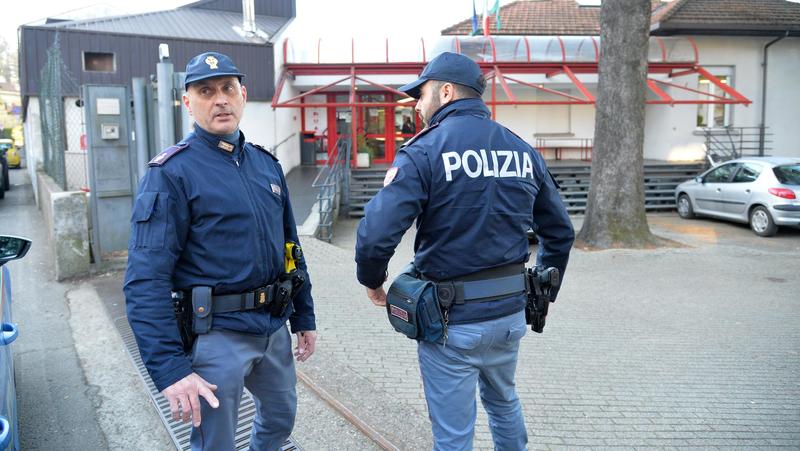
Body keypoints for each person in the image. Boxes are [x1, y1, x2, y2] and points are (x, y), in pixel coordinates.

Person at [355, 52, 574, 450]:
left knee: (454, 435)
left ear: (445, 91)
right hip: (509, 316)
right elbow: (560, 231)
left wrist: (372, 281)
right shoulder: (522, 151)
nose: (417, 106)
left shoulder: (424, 151)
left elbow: (376, 233)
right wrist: (549, 291)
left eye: (420, 95)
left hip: (451, 322)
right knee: (504, 403)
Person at [124, 51, 316, 451]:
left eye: (228, 88)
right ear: (187, 102)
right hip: (216, 336)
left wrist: (304, 315)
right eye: (206, 91)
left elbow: (290, 249)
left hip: (272, 326)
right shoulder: (170, 174)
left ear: (243, 94)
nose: (220, 99)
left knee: (280, 420)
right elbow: (146, 280)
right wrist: (171, 369)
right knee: (216, 442)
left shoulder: (266, 166)